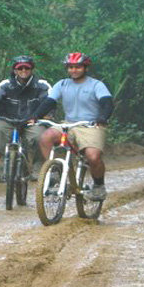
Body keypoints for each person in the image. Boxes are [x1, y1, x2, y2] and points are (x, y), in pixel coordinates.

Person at [27, 52, 113, 201]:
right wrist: (35, 116)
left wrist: (103, 117)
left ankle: (99, 185)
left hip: (90, 125)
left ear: (85, 68)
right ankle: (53, 172)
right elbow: (50, 102)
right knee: (46, 137)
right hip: (68, 124)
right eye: (71, 67)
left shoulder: (96, 85)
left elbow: (107, 103)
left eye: (78, 67)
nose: (74, 70)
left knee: (93, 158)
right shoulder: (62, 84)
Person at [0, 55, 52, 182]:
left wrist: (46, 114)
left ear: (32, 69)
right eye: (20, 68)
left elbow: (49, 101)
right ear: (15, 70)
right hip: (8, 120)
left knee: (40, 136)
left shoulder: (41, 85)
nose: (23, 71)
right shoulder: (6, 84)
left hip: (32, 121)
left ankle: (38, 167)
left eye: (27, 68)